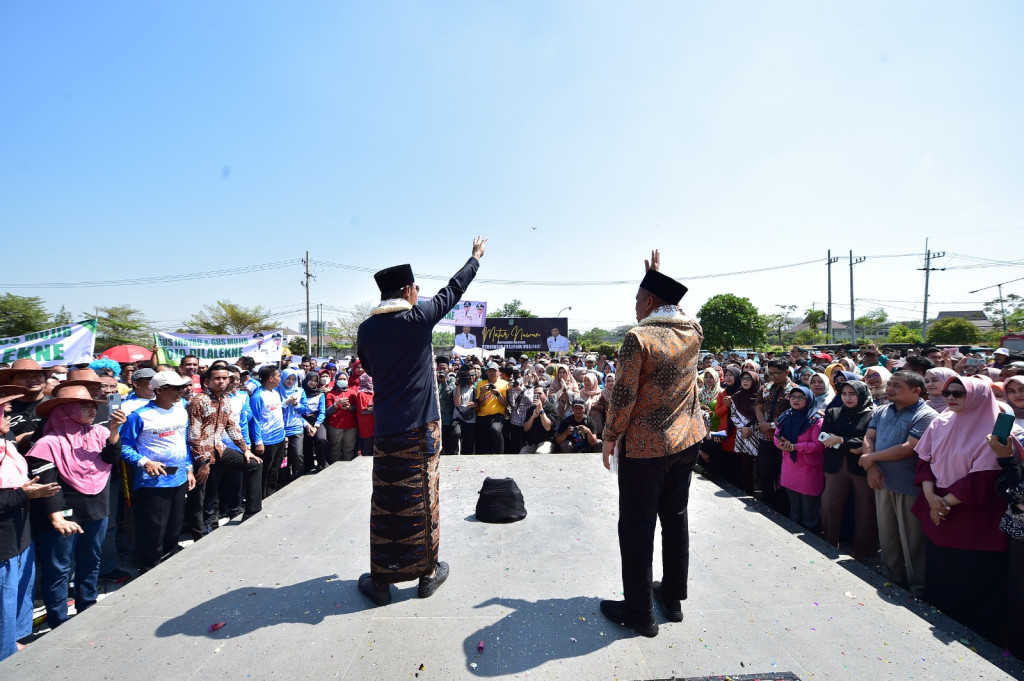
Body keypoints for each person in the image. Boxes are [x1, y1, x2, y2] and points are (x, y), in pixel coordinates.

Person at [354, 236, 486, 606]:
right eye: (417, 289)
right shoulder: (417, 319)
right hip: (422, 429)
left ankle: (381, 580)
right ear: (408, 290)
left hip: (386, 429)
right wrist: (474, 258)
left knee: (386, 500)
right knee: (423, 496)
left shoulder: (366, 330)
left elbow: (370, 367)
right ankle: (427, 574)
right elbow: (454, 290)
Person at [600, 250, 704, 638]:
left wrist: (610, 439)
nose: (635, 307)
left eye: (638, 299)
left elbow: (623, 397)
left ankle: (639, 611)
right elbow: (678, 310)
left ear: (650, 302)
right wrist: (656, 277)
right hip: (687, 440)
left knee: (638, 526)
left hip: (645, 448)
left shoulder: (637, 337)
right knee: (675, 518)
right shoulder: (693, 330)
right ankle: (672, 599)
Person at [912, 377, 1016, 644]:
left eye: (959, 393)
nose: (950, 398)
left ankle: (976, 633)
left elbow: (983, 479)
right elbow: (924, 460)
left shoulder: (997, 431)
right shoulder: (941, 421)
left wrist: (942, 502)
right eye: (947, 392)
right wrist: (930, 496)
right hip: (939, 507)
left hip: (972, 515)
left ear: (979, 396)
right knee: (940, 567)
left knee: (970, 575)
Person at [26, 385, 126, 628]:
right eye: (84, 406)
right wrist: (57, 517)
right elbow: (47, 486)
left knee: (91, 560)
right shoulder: (46, 444)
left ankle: (87, 606)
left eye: (93, 405)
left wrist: (114, 431)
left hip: (97, 508)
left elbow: (112, 460)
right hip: (62, 515)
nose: (92, 410)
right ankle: (59, 620)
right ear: (66, 409)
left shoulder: (99, 434)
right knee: (59, 567)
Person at [859, 371, 938, 597]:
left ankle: (918, 589)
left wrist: (871, 459)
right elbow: (868, 437)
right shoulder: (882, 410)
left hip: (908, 486)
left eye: (896, 385)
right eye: (890, 384)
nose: (890, 388)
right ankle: (892, 578)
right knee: (887, 536)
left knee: (912, 540)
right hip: (881, 481)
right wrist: (871, 468)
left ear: (916, 390)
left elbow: (908, 448)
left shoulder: (926, 415)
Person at [0, 386, 60, 661]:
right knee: (4, 597)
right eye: (3, 410)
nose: (9, 413)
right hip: (4, 540)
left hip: (19, 530)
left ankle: (11, 642)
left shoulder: (6, 440)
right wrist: (24, 493)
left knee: (17, 591)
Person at [120, 371, 195, 570]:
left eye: (183, 387)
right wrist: (144, 462)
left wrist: (189, 469)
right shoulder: (139, 416)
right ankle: (149, 568)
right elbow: (124, 447)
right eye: (176, 388)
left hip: (177, 477)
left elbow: (183, 443)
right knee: (153, 530)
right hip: (152, 481)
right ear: (160, 390)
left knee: (174, 526)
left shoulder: (181, 411)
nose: (182, 391)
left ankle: (169, 562)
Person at [185, 366, 261, 538]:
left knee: (254, 464)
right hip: (201, 455)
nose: (222, 381)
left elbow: (231, 426)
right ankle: (199, 533)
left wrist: (245, 450)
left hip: (219, 449)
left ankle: (252, 512)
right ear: (207, 382)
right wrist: (203, 462)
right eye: (217, 378)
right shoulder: (198, 401)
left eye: (225, 378)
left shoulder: (226, 399)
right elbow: (194, 436)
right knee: (200, 496)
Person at [819, 380, 877, 560]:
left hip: (861, 467)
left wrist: (841, 440)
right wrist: (848, 446)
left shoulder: (872, 414)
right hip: (836, 465)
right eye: (844, 394)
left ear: (861, 394)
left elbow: (868, 441)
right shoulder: (833, 412)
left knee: (864, 508)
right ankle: (829, 542)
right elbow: (824, 437)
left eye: (852, 394)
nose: (848, 398)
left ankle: (861, 550)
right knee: (829, 503)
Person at [989, 375, 1024, 659]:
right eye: (1010, 390)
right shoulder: (1010, 424)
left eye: (1022, 390)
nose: (1016, 395)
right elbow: (1007, 483)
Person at [775, 385, 825, 533]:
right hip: (790, 466)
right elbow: (776, 437)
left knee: (810, 508)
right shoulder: (786, 416)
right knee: (794, 504)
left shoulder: (815, 420)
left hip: (808, 469)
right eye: (793, 397)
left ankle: (812, 537)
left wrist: (795, 447)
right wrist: (782, 445)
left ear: (808, 399)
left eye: (800, 397)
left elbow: (818, 446)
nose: (795, 400)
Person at [755, 359, 795, 514]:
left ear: (786, 372)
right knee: (765, 472)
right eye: (769, 373)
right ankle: (767, 504)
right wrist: (764, 425)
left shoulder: (794, 390)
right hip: (765, 437)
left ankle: (783, 508)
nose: (772, 376)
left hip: (784, 440)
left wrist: (772, 426)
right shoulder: (766, 387)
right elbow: (758, 406)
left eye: (776, 373)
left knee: (783, 475)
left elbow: (793, 413)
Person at [0, 359, 55, 453]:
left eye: (38, 376)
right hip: (11, 464)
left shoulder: (56, 404)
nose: (32, 380)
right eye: (24, 376)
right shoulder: (3, 407)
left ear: (45, 380)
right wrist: (19, 440)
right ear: (11, 381)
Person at [249, 365, 287, 498]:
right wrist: (259, 442)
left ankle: (271, 494)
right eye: (278, 376)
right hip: (267, 441)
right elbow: (256, 421)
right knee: (265, 471)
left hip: (279, 438)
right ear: (270, 378)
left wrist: (284, 434)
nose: (279, 379)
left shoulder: (275, 393)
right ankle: (262, 498)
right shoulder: (258, 396)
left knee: (275, 470)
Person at [474, 361, 508, 454]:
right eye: (489, 371)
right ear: (486, 372)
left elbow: (505, 403)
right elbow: (481, 404)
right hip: (482, 415)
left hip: (497, 414)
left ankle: (499, 454)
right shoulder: (481, 384)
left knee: (495, 429)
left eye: (494, 371)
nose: (492, 373)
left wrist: (497, 393)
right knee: (484, 439)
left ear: (498, 372)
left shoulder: (504, 384)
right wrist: (482, 393)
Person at [324, 373, 358, 463]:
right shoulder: (330, 394)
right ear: (336, 380)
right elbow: (327, 412)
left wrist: (349, 408)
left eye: (344, 379)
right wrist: (336, 404)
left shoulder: (352, 393)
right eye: (340, 379)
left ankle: (347, 469)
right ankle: (334, 469)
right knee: (335, 449)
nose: (342, 381)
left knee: (349, 448)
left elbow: (357, 408)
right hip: (335, 426)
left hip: (351, 426)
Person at [300, 371, 328, 471]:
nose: (312, 383)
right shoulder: (300, 393)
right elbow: (297, 412)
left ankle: (322, 462)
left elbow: (322, 411)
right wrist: (307, 425)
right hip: (303, 420)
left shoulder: (320, 393)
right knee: (306, 444)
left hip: (317, 420)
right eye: (310, 380)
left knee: (321, 439)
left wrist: (316, 426)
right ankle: (308, 467)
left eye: (315, 381)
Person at [520, 386, 556, 454]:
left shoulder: (551, 408)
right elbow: (526, 428)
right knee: (522, 454)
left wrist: (541, 411)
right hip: (532, 443)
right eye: (535, 394)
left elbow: (548, 427)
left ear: (545, 394)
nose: (537, 396)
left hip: (546, 441)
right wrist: (532, 417)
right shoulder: (531, 408)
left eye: (539, 393)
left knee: (540, 453)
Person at [452, 365, 478, 455]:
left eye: (472, 374)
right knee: (456, 433)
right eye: (468, 374)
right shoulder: (456, 388)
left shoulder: (477, 387)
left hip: (471, 418)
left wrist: (475, 404)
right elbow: (457, 404)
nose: (471, 377)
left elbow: (481, 403)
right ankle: (453, 456)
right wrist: (459, 386)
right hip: (458, 417)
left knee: (469, 443)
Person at [436, 358, 458, 455]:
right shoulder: (433, 379)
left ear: (448, 369)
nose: (442, 371)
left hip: (447, 417)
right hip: (435, 417)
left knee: (447, 440)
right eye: (440, 368)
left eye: (444, 368)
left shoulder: (451, 380)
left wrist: (444, 382)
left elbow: (449, 394)